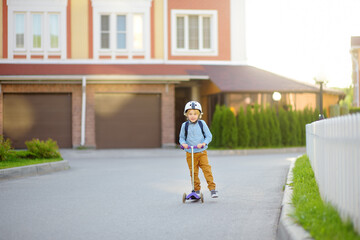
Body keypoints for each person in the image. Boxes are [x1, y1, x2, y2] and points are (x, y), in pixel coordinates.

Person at [179, 101, 218, 198]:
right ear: (186, 115)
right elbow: (181, 137)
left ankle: (212, 189)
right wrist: (183, 144)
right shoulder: (185, 125)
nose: (192, 116)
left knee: (207, 170)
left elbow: (209, 136)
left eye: (195, 114)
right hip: (190, 153)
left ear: (199, 115)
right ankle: (196, 190)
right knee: (193, 172)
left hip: (201, 152)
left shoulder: (202, 123)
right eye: (190, 114)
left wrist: (204, 143)